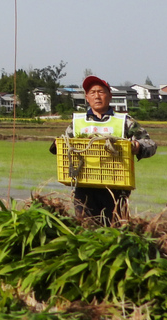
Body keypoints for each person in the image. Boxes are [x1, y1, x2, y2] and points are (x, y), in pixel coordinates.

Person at [50, 75, 157, 225]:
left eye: (101, 91)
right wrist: (57, 145)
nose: (97, 96)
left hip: (116, 187)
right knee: (86, 229)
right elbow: (61, 145)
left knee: (116, 230)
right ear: (87, 97)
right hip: (84, 186)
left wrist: (137, 147)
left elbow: (151, 144)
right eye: (92, 92)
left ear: (109, 95)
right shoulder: (78, 122)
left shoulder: (124, 121)